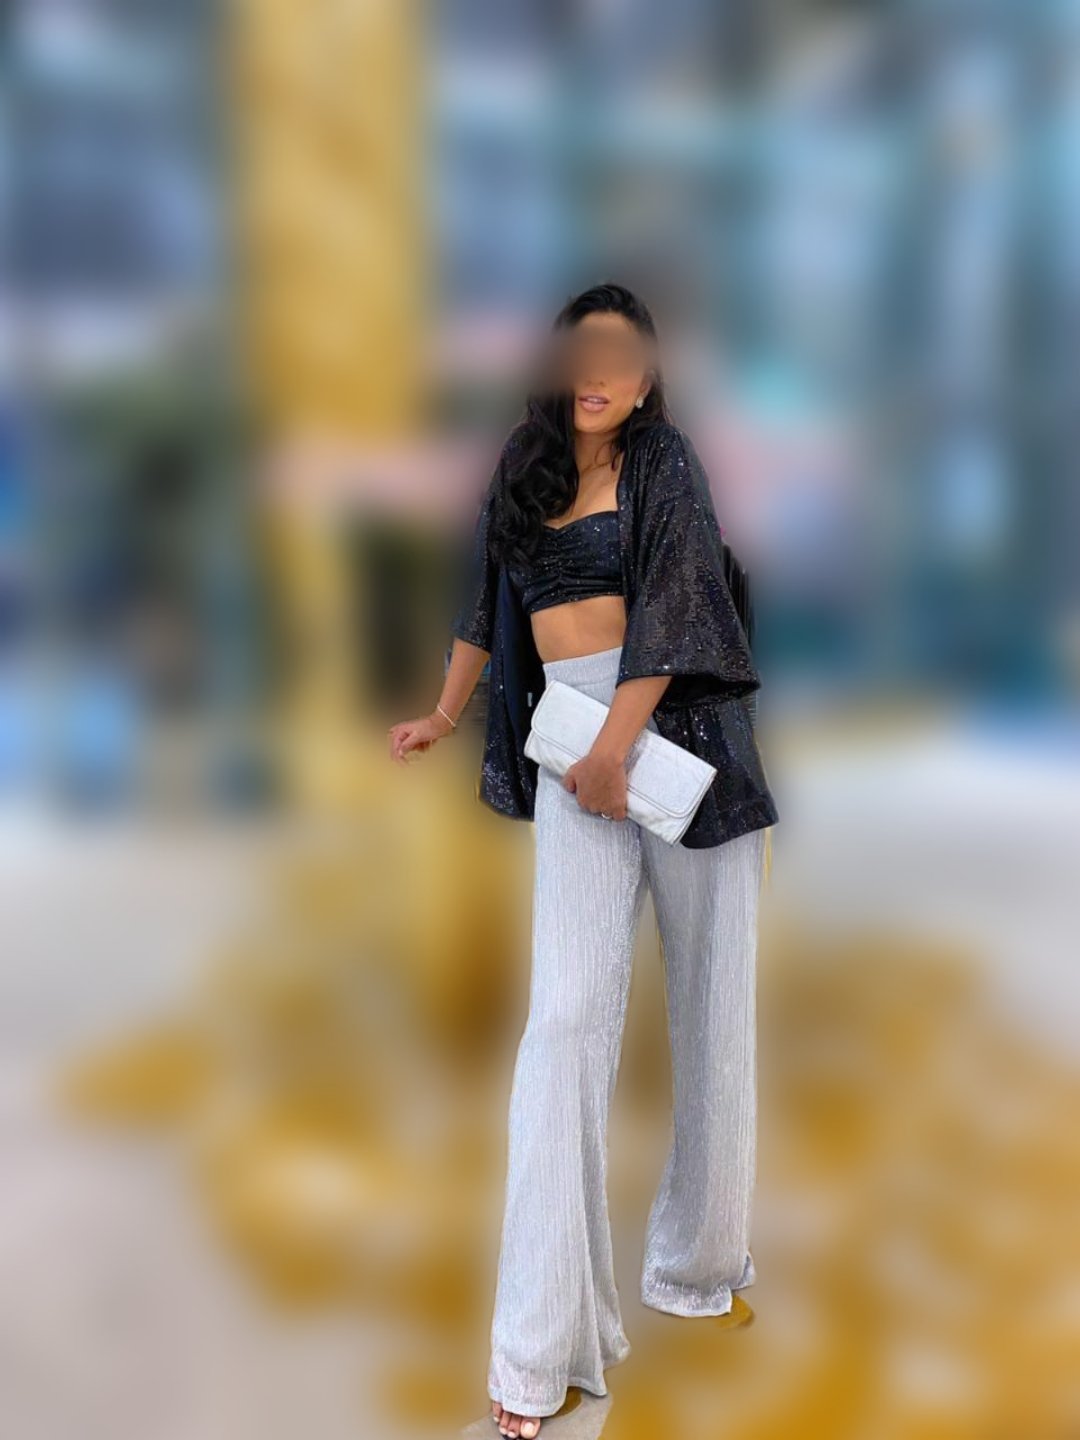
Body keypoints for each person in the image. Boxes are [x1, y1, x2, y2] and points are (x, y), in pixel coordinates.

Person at [388, 283, 779, 1439]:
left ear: (648, 378)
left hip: (683, 742)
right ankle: (537, 1357)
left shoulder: (665, 462)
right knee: (562, 1027)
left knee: (713, 1011)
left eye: (620, 354)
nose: (596, 370)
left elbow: (679, 610)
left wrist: (620, 747)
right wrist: (444, 713)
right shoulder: (523, 466)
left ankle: (700, 1267)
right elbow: (483, 605)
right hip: (571, 747)